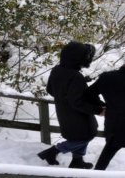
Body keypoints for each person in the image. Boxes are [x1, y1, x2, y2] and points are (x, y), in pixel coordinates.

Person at [37, 41, 105, 169]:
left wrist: (64, 95)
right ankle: (52, 152)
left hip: (64, 111)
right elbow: (77, 102)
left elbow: (50, 90)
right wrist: (99, 110)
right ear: (78, 58)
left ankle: (77, 161)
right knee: (83, 138)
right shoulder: (75, 77)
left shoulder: (57, 70)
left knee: (79, 137)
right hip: (78, 115)